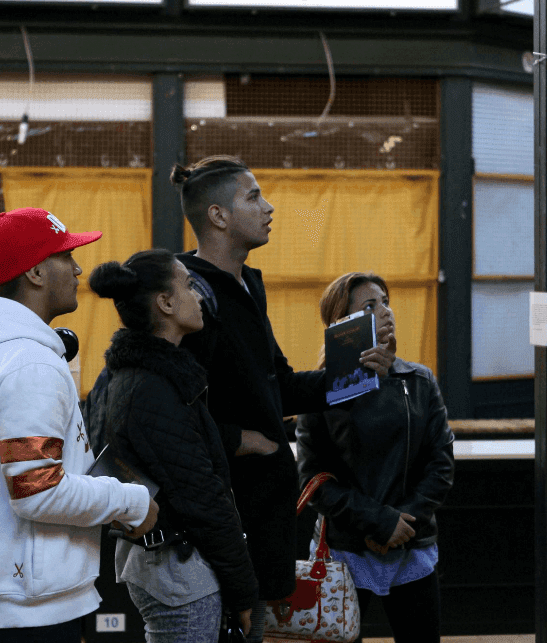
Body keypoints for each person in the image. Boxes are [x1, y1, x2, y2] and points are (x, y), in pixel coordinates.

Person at [170, 155, 396, 642]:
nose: (268, 207)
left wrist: (354, 374)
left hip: (261, 518)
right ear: (218, 216)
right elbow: (167, 402)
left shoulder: (248, 283)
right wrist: (238, 439)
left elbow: (282, 385)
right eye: (253, 196)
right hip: (215, 518)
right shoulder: (188, 292)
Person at [0, 207, 158, 643]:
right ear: (37, 273)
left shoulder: (6, 354)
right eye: (66, 257)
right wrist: (132, 502)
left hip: (24, 598)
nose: (78, 267)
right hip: (31, 610)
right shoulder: (27, 363)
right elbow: (37, 491)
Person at [87, 249, 259, 643]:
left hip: (165, 565)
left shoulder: (125, 374)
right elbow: (202, 497)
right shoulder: (152, 390)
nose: (199, 296)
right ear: (165, 302)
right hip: (179, 575)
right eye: (188, 286)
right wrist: (244, 592)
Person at [295, 272, 454, 643]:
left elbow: (441, 465)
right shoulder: (319, 392)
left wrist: (401, 525)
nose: (386, 311)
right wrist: (379, 523)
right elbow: (313, 480)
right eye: (370, 305)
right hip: (346, 551)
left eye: (385, 301)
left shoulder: (420, 381)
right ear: (342, 322)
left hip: (411, 545)